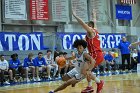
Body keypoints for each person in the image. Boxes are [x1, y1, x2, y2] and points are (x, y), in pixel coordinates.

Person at [72, 10, 104, 93]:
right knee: (84, 69)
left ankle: (99, 82)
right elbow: (95, 22)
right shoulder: (94, 30)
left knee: (85, 71)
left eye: (88, 26)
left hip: (96, 54)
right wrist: (94, 15)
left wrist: (75, 16)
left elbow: (82, 23)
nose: (87, 27)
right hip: (93, 54)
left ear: (90, 27)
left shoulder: (91, 32)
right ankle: (89, 87)